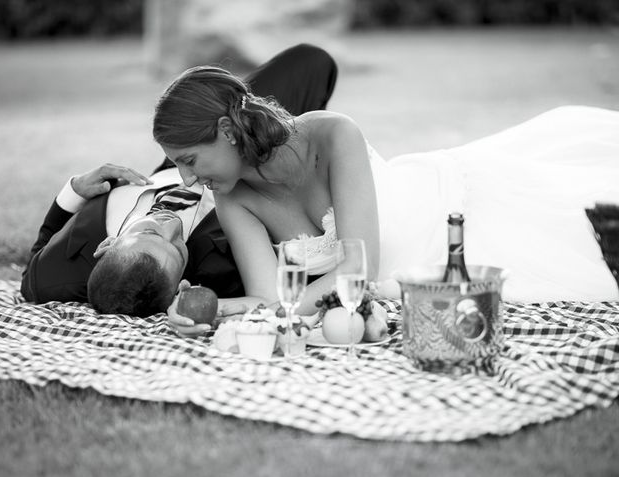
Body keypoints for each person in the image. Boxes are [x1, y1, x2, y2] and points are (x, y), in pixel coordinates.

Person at [152, 63, 619, 336]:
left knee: (579, 233)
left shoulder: (331, 134)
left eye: (190, 160)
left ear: (229, 132)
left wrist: (273, 309)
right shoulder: (234, 198)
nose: (188, 180)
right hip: (399, 277)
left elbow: (358, 271)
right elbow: (272, 300)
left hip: (448, 214)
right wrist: (217, 310)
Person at [20, 44, 338, 317]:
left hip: (175, 160)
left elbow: (33, 265)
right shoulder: (222, 273)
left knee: (308, 58)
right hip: (236, 165)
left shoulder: (51, 278)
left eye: (150, 231)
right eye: (177, 247)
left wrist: (73, 192)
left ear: (107, 246)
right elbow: (292, 280)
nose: (171, 226)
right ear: (181, 284)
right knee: (313, 66)